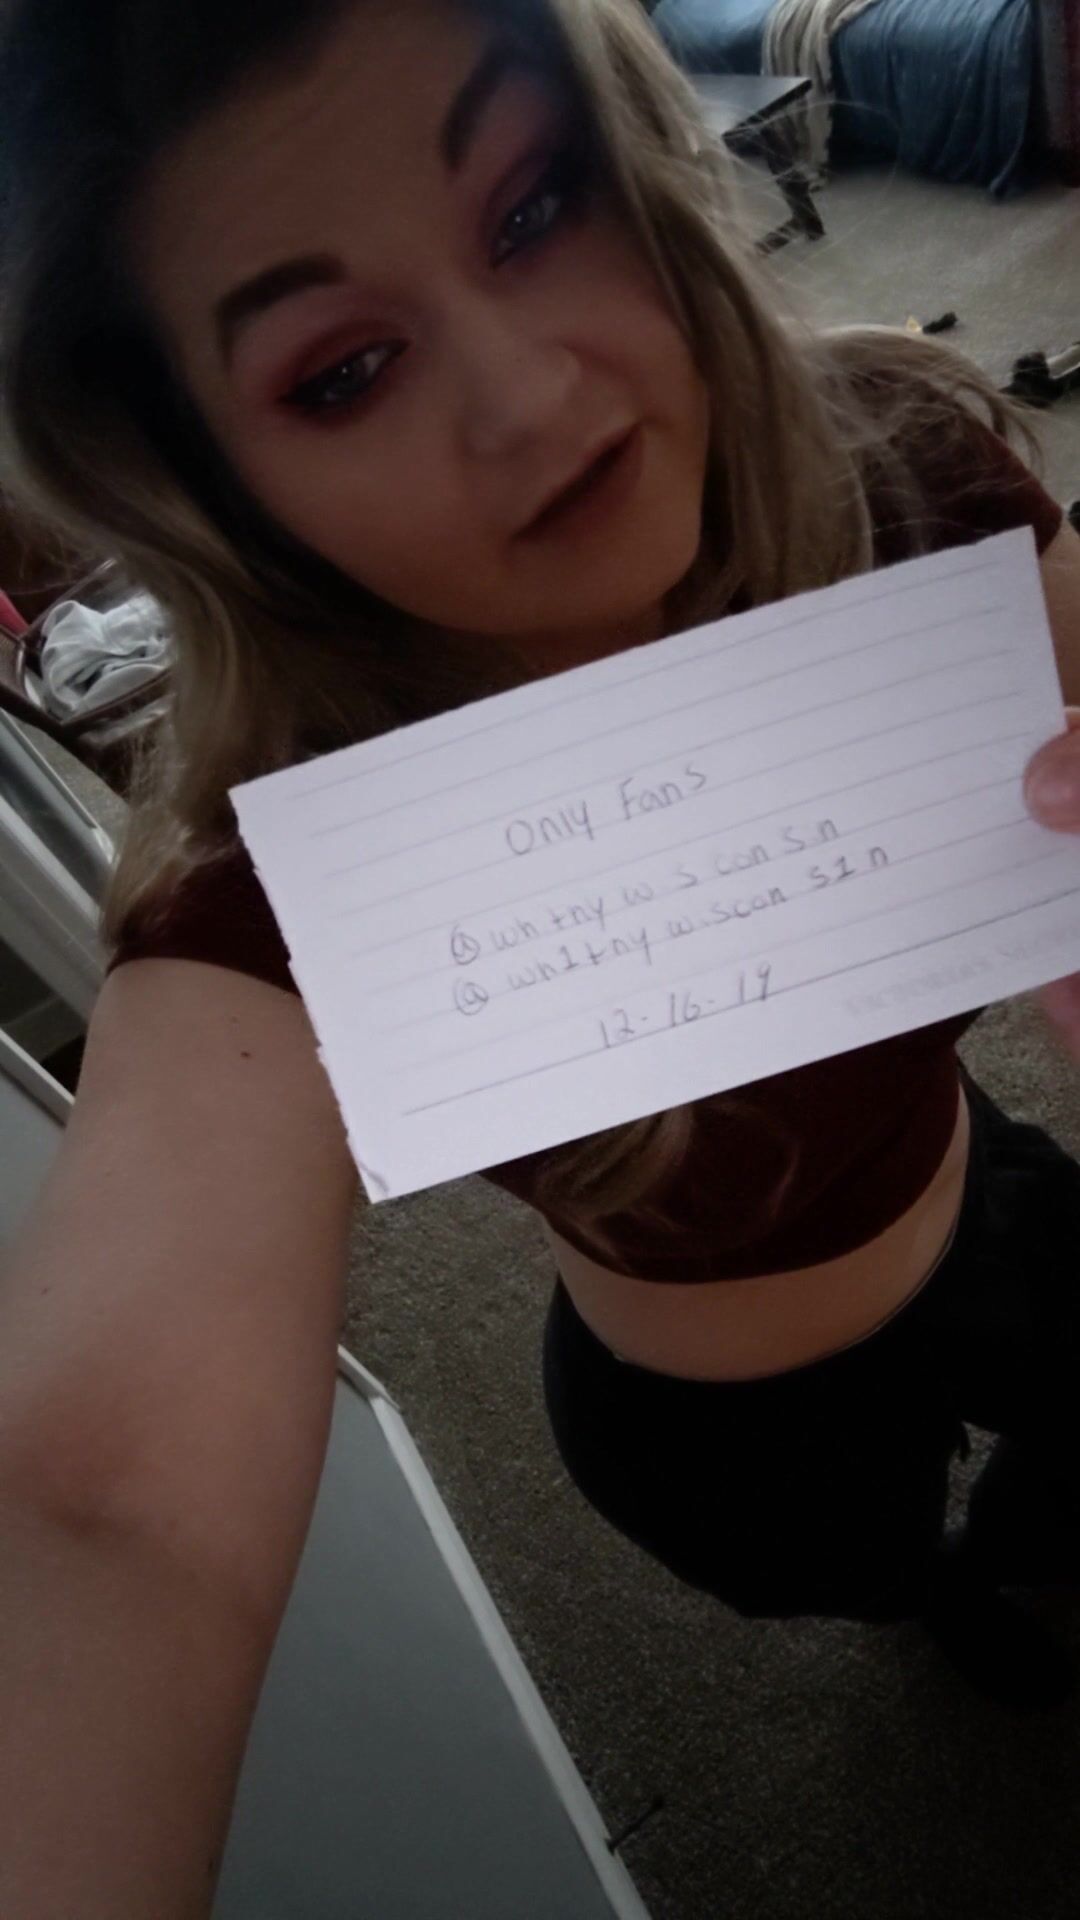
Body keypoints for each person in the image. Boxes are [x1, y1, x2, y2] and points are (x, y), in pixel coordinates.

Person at [3, 0, 1080, 1910]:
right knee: (874, 1572)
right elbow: (108, 1510)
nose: (524, 398)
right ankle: (943, 1591)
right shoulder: (277, 881)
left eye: (529, 209)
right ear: (215, 485)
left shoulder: (904, 478)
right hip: (720, 1417)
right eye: (342, 371)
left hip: (980, 1188)